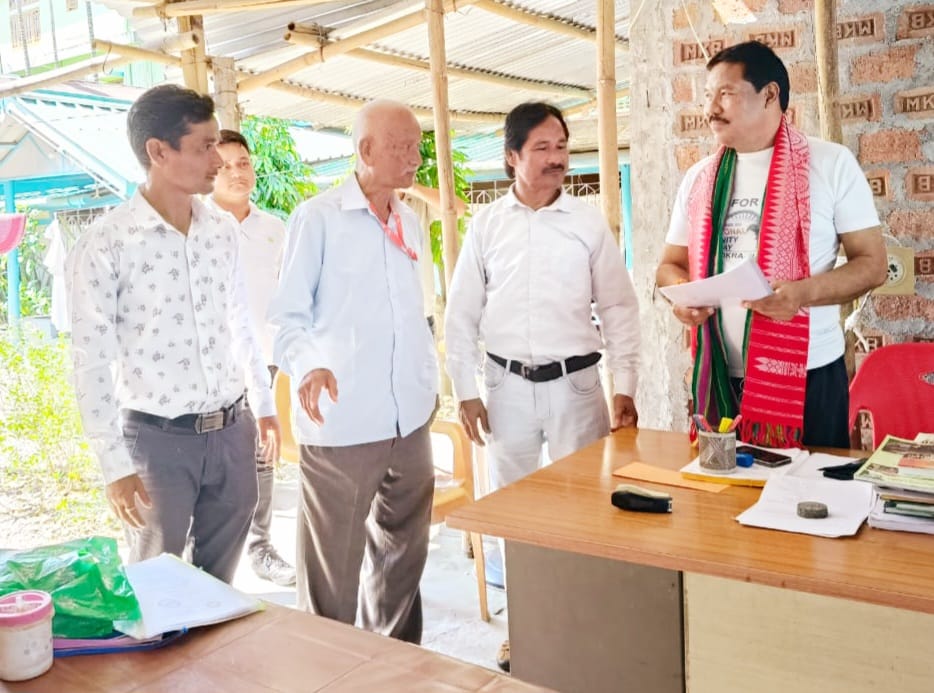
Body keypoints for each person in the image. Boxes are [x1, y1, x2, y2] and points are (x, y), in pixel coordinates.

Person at [444, 101, 641, 671]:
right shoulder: (487, 225)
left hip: (577, 387)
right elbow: (462, 314)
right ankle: (524, 629)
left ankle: (583, 624)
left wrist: (624, 385)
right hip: (505, 389)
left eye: (562, 147)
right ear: (512, 157)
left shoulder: (587, 223)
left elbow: (619, 307)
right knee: (515, 512)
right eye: (542, 149)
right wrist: (465, 389)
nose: (557, 159)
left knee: (587, 508)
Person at [67, 84, 279, 584]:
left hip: (232, 431)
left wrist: (262, 405)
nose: (218, 160)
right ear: (159, 152)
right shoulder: (107, 243)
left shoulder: (221, 231)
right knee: (157, 587)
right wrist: (114, 466)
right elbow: (89, 361)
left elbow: (239, 322)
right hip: (157, 442)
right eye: (205, 146)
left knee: (219, 587)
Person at [656, 41, 887, 448]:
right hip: (720, 379)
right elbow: (670, 265)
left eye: (726, 94)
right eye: (707, 96)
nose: (710, 109)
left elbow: (872, 264)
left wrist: (801, 294)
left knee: (810, 486)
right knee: (721, 487)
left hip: (809, 377)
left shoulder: (830, 164)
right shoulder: (699, 177)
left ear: (769, 95)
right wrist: (681, 297)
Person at [268, 99, 437, 644]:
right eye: (401, 147)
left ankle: (395, 663)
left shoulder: (409, 220)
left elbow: (413, 311)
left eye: (416, 147)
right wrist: (309, 365)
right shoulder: (317, 218)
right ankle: (326, 668)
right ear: (365, 150)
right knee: (332, 576)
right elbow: (286, 319)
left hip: (410, 417)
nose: (414, 158)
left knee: (403, 559)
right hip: (343, 422)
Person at [209, 129, 296, 587]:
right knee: (215, 462)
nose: (236, 173)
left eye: (243, 163)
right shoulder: (198, 226)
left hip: (266, 361)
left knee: (264, 456)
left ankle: (261, 548)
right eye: (224, 165)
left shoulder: (274, 229)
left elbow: (288, 296)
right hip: (215, 368)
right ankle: (209, 559)